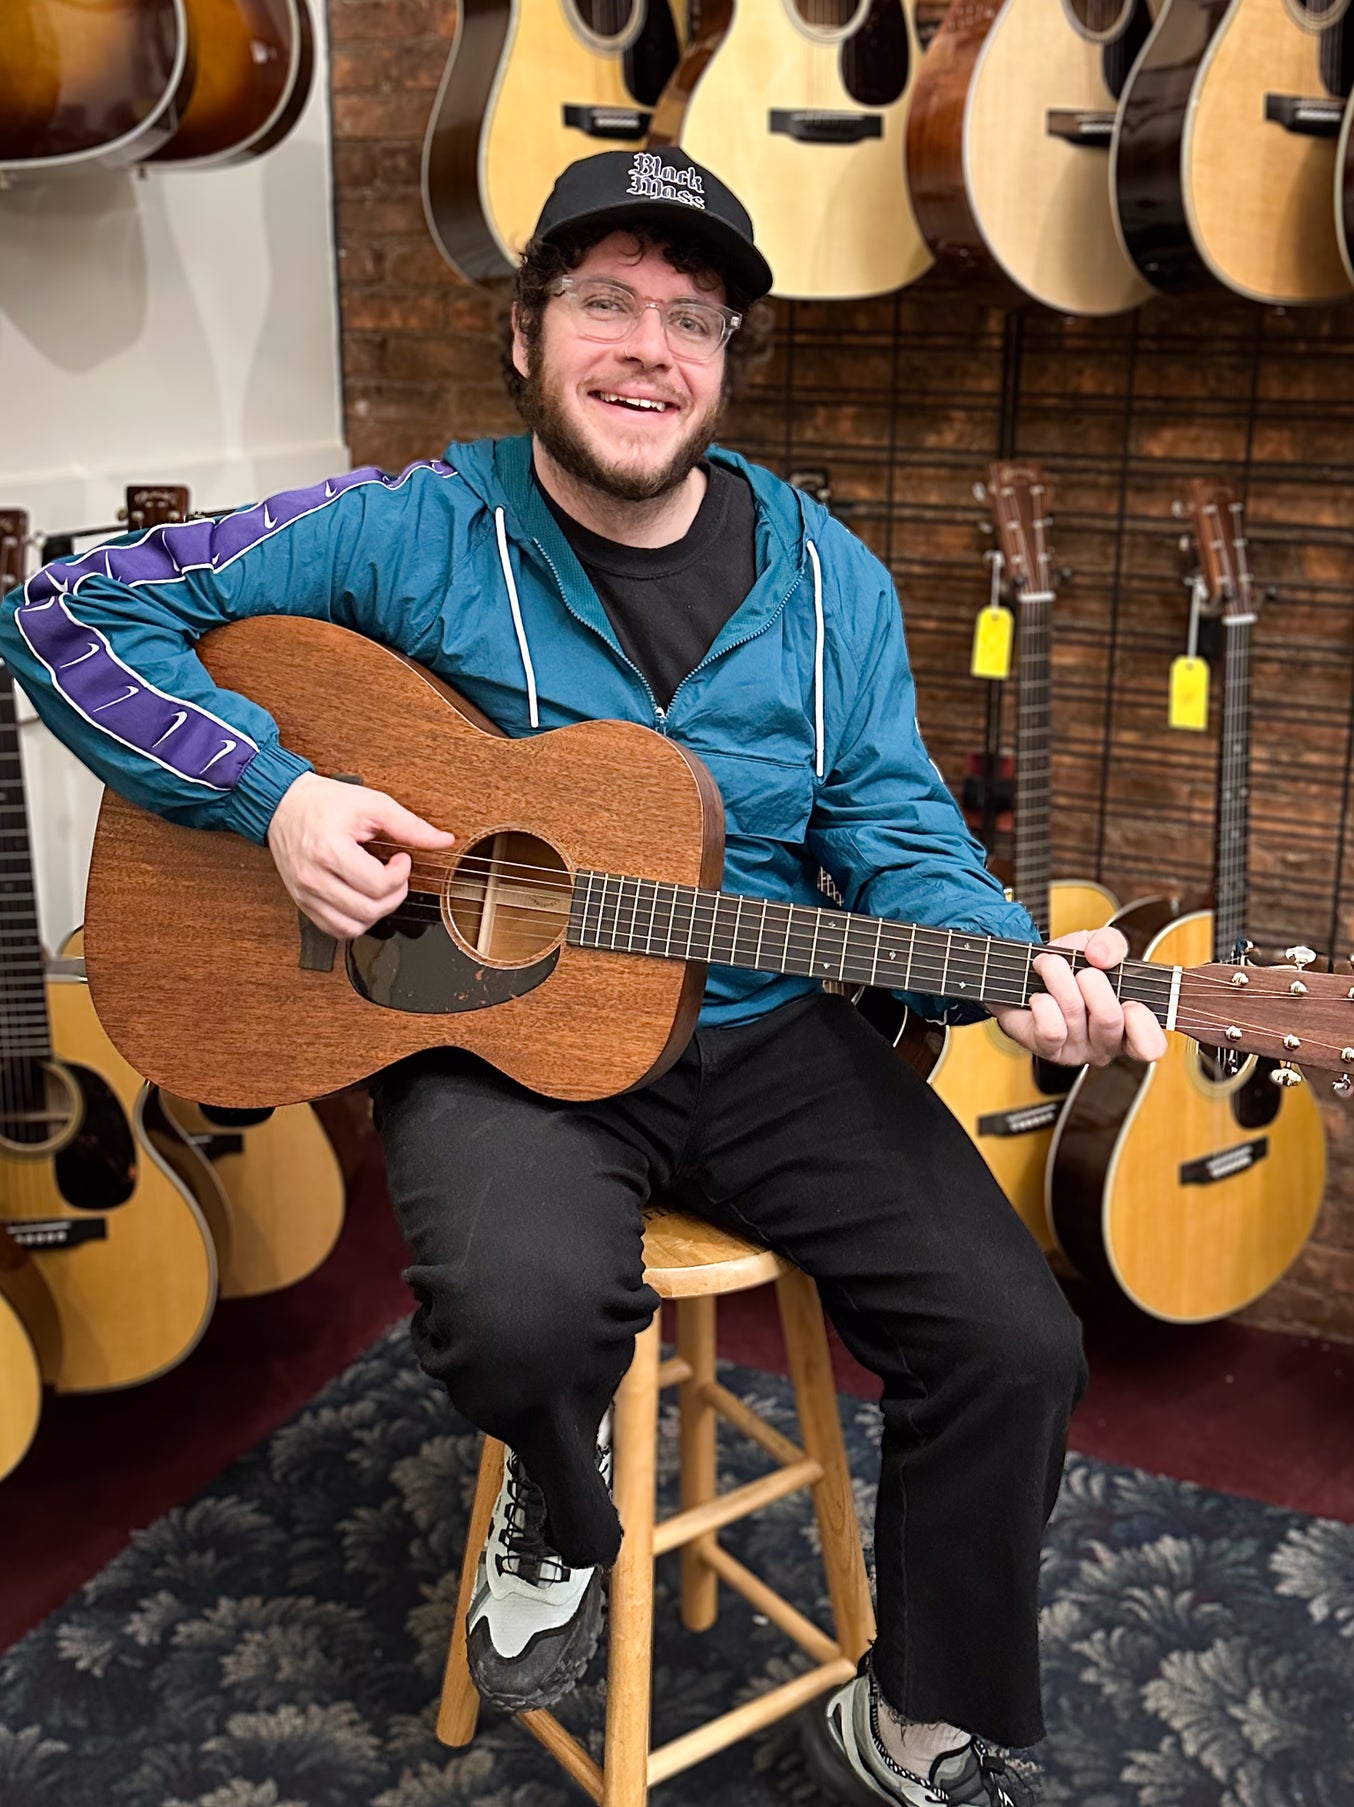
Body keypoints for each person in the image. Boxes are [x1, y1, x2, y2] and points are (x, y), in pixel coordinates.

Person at [0, 149, 1166, 1806]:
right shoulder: (409, 524)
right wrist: (279, 794)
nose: (647, 349)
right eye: (604, 303)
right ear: (527, 333)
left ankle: (906, 1723)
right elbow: (67, 611)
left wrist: (1004, 966)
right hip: (486, 1029)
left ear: (724, 363)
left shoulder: (831, 579)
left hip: (764, 1032)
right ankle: (559, 1506)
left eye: (689, 319)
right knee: (527, 1316)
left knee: (1015, 1341)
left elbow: (899, 828)